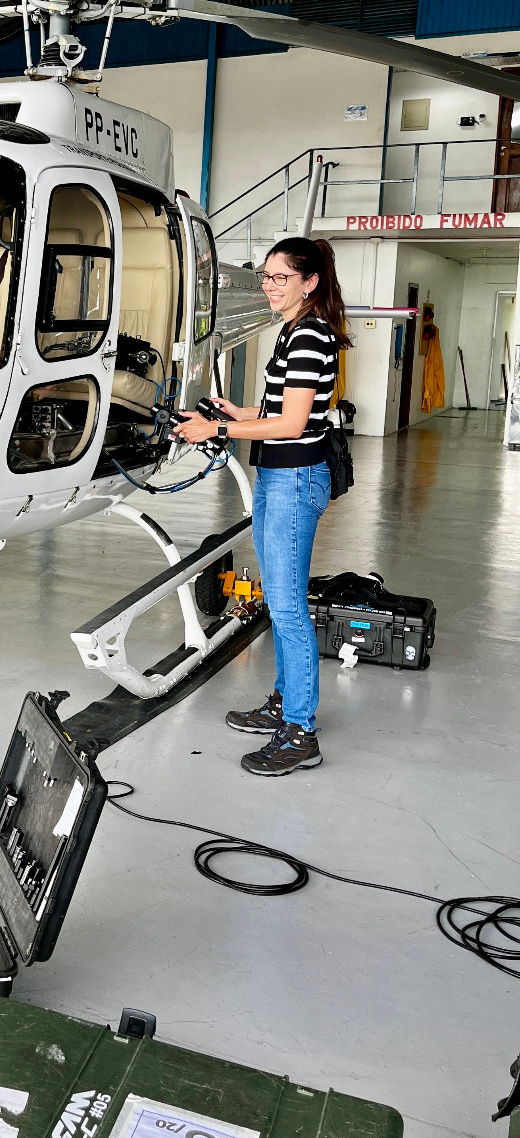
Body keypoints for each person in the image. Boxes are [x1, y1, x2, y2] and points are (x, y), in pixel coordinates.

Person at [173, 236, 348, 777]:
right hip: (278, 473)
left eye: (280, 279)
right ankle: (284, 702)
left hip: (296, 478)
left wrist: (217, 427)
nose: (269, 288)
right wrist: (235, 409)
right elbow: (283, 408)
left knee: (289, 606)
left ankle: (300, 733)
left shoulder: (309, 336)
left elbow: (294, 425)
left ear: (310, 283)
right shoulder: (292, 331)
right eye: (265, 277)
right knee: (277, 597)